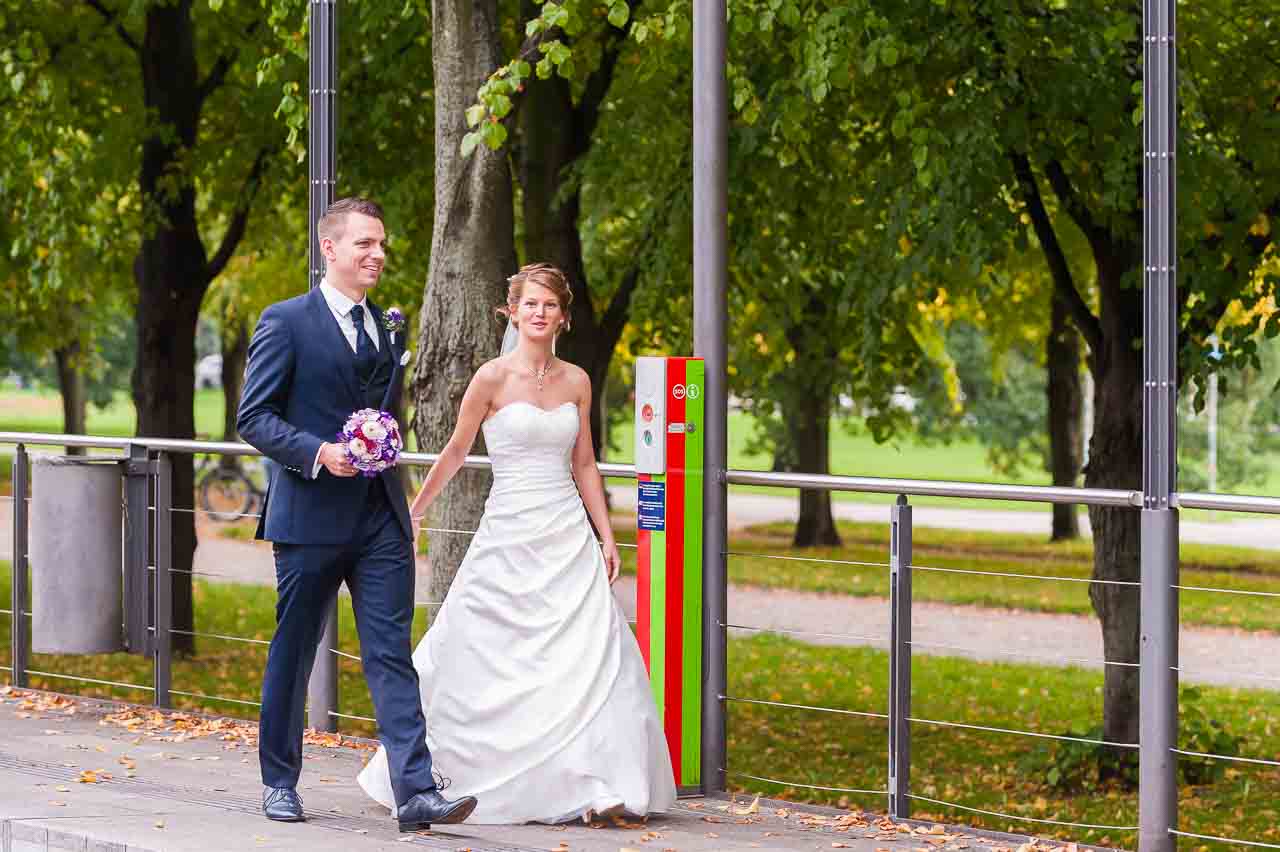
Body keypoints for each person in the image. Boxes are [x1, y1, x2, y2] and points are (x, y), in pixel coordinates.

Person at [356, 262, 676, 824]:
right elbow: (456, 451)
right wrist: (413, 513)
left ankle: (595, 781)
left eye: (549, 305)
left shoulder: (577, 380)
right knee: (484, 646)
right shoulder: (490, 378)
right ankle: (448, 775)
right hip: (508, 530)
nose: (539, 313)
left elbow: (584, 463)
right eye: (530, 303)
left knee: (585, 654)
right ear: (513, 310)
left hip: (566, 533)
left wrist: (607, 535)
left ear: (562, 316)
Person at [237, 197, 477, 831]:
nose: (377, 255)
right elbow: (253, 417)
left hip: (380, 519)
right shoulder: (284, 322)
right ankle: (279, 781)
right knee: (295, 650)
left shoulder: (390, 328)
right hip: (311, 514)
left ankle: (417, 793)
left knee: (392, 653)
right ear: (330, 249)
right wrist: (319, 452)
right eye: (365, 244)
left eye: (382, 244)